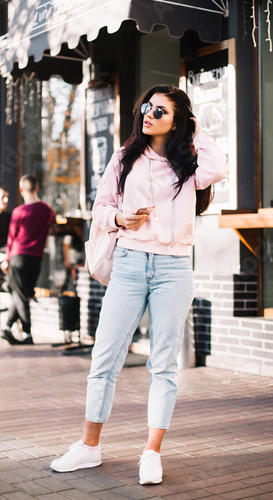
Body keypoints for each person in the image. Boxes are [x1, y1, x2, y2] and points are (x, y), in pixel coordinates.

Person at [50, 85, 228, 484]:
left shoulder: (189, 164)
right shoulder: (123, 158)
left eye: (160, 111)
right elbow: (100, 209)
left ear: (178, 120)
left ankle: (151, 453)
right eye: (147, 107)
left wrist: (194, 128)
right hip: (129, 263)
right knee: (104, 358)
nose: (148, 114)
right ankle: (89, 447)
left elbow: (218, 168)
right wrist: (120, 220)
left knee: (163, 364)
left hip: (173, 267)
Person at [0, 174, 56, 345]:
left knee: (21, 295)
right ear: (37, 188)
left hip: (18, 257)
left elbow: (11, 238)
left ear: (21, 190)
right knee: (23, 294)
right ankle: (8, 328)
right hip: (36, 259)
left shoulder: (18, 212)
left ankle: (26, 334)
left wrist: (6, 259)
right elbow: (54, 225)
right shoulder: (47, 210)